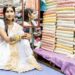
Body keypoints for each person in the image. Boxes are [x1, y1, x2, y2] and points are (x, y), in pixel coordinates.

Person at [0, 4, 42, 72]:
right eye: (7, 12)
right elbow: (7, 39)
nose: (9, 14)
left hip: (14, 45)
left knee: (25, 41)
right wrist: (21, 36)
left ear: (14, 13)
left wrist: (27, 36)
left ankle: (28, 60)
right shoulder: (1, 23)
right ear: (4, 13)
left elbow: (22, 36)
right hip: (4, 46)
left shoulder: (17, 26)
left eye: (11, 11)